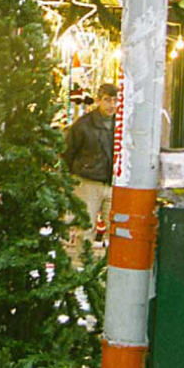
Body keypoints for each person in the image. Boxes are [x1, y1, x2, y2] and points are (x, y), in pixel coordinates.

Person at [62, 83, 118, 249]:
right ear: (99, 100)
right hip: (88, 181)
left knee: (116, 228)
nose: (112, 105)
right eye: (108, 100)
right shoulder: (83, 125)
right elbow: (68, 151)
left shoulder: (122, 124)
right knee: (85, 228)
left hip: (112, 182)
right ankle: (82, 266)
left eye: (115, 100)